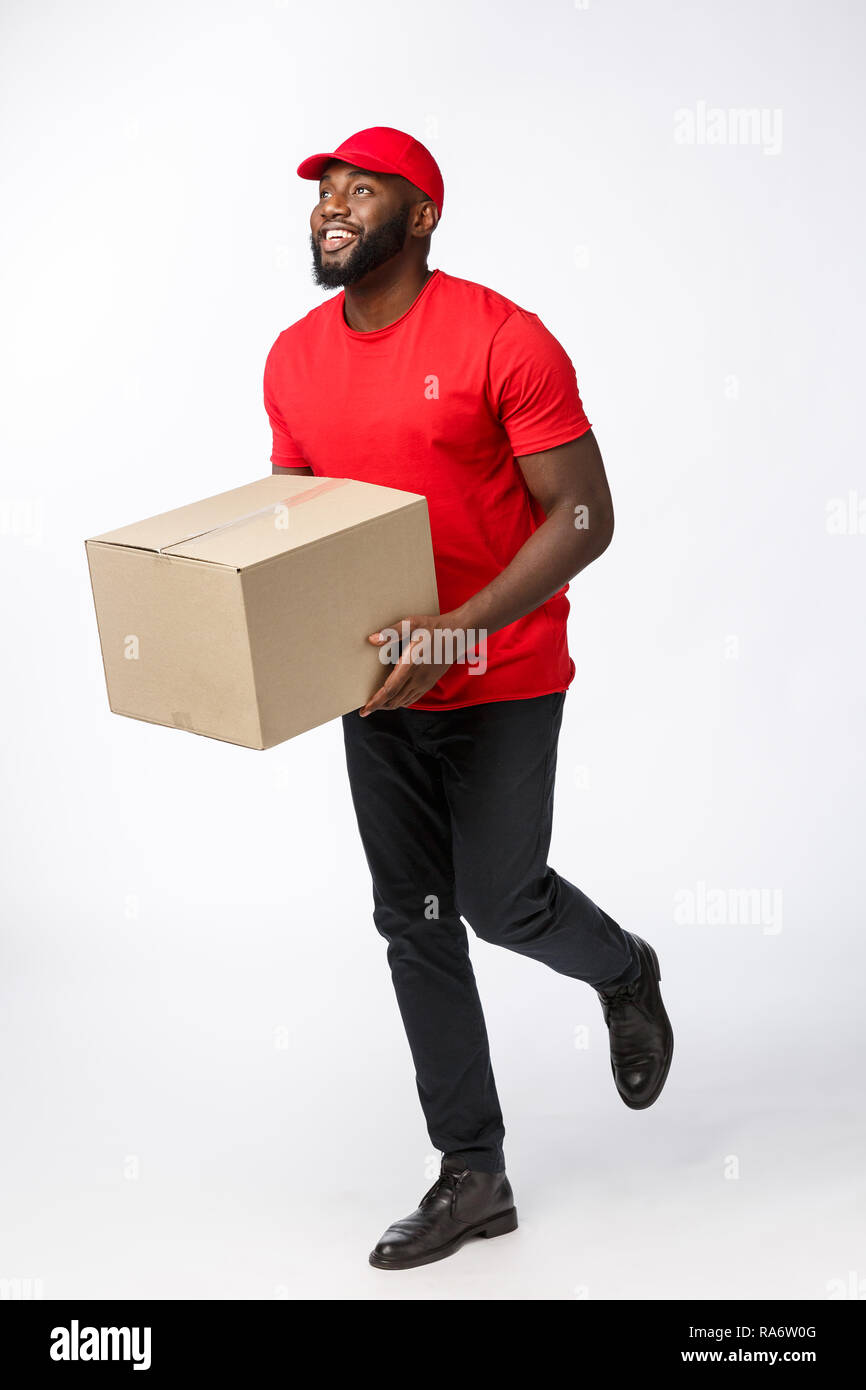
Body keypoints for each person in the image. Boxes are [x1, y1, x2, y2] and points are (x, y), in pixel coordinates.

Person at [264, 126, 673, 1271]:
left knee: (500, 902)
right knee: (416, 922)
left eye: (360, 190)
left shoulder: (502, 338)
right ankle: (472, 1173)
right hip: (377, 685)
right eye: (321, 193)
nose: (331, 207)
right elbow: (298, 531)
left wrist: (460, 630)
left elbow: (584, 515)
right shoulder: (292, 357)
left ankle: (624, 968)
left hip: (502, 674)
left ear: (422, 216)